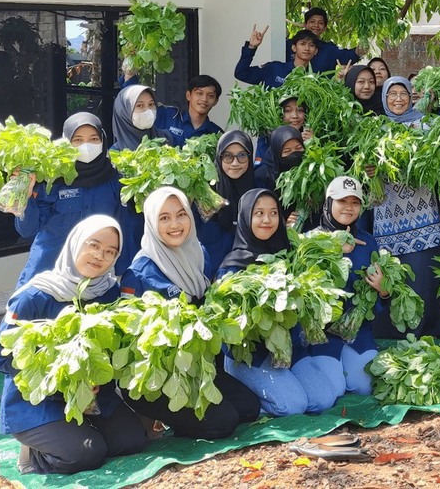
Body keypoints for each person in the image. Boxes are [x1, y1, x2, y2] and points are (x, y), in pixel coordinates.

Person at [0, 215, 148, 475]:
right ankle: (34, 456)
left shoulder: (107, 292)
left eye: (110, 252)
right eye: (93, 245)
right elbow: (0, 357)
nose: (100, 256)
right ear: (76, 243)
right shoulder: (34, 296)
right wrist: (61, 376)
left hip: (92, 398)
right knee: (87, 454)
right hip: (38, 401)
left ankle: (78, 431)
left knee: (131, 441)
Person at [119, 187, 262, 438]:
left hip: (201, 370)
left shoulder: (198, 253)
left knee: (249, 408)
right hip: (162, 380)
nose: (175, 224)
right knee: (223, 422)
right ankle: (157, 417)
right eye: (164, 218)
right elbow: (130, 341)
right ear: (152, 223)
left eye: (181, 214)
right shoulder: (139, 272)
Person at [217, 189, 341, 416]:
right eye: (259, 213)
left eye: (273, 213)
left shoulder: (291, 256)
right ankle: (248, 397)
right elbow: (227, 328)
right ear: (245, 217)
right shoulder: (233, 266)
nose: (267, 220)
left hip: (291, 351)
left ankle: (282, 387)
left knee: (324, 399)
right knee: (293, 406)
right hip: (251, 357)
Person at [12, 112, 135, 289]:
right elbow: (27, 230)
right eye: (77, 140)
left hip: (92, 280)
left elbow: (123, 229)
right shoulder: (53, 178)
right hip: (47, 276)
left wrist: (124, 275)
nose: (86, 146)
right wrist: (26, 195)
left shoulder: (115, 180)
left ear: (103, 140)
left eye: (93, 139)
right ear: (66, 143)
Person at [372, 76, 440, 338]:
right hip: (388, 220)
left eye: (402, 93)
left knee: (423, 282)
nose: (397, 99)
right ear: (384, 98)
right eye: (391, 94)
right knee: (396, 283)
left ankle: (427, 335)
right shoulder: (376, 128)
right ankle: (397, 337)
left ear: (411, 96)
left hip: (423, 220)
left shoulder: (426, 125)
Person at [307, 176, 383, 395]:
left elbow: (380, 294)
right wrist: (332, 247)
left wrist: (383, 290)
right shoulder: (310, 240)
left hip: (358, 332)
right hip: (322, 334)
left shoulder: (368, 242)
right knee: (334, 390)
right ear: (329, 203)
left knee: (365, 386)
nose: (349, 208)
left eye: (355, 202)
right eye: (342, 201)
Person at [196, 130, 264, 266]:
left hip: (251, 266)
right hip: (212, 265)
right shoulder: (207, 192)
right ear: (219, 157)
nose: (235, 163)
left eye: (242, 155)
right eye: (227, 156)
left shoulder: (259, 189)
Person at [234, 25, 320, 88]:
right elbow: (241, 73)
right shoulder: (274, 69)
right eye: (302, 44)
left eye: (311, 45)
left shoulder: (315, 80)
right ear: (294, 48)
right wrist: (251, 47)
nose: (307, 48)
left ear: (316, 51)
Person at [285, 7, 361, 75]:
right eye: (312, 22)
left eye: (320, 23)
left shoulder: (329, 49)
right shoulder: (289, 45)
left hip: (322, 89)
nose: (316, 25)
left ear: (325, 27)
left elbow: (348, 56)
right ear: (305, 24)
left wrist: (360, 50)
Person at [158, 75, 224, 146]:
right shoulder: (167, 115)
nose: (204, 99)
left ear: (216, 101)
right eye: (199, 93)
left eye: (210, 96)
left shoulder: (217, 134)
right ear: (188, 95)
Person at [255, 95, 313, 170]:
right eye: (288, 111)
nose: (295, 116)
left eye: (300, 110)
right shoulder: (267, 136)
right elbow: (259, 172)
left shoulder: (310, 134)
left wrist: (313, 145)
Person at [111, 84, 172, 151]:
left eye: (151, 104)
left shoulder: (165, 139)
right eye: (140, 105)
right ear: (124, 112)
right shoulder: (116, 154)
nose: (148, 110)